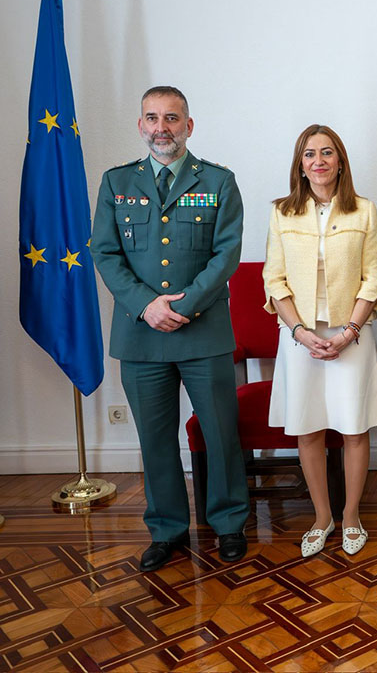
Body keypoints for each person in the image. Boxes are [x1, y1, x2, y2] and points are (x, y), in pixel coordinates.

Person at [92, 86, 249, 572]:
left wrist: (184, 305)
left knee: (221, 433)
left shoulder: (219, 182)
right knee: (154, 439)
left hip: (202, 333)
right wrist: (147, 306)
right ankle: (167, 529)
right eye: (153, 118)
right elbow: (105, 252)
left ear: (189, 126)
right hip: (141, 334)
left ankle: (228, 525)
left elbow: (226, 254)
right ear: (141, 125)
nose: (162, 127)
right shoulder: (116, 183)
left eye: (172, 118)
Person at [263, 125, 377, 558]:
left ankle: (351, 515)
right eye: (309, 154)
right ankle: (323, 517)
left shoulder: (365, 211)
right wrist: (300, 332)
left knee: (354, 426)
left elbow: (374, 277)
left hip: (350, 334)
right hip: (299, 336)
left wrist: (349, 331)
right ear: (300, 164)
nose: (318, 161)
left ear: (340, 161)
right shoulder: (282, 212)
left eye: (327, 153)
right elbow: (273, 279)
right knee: (309, 426)